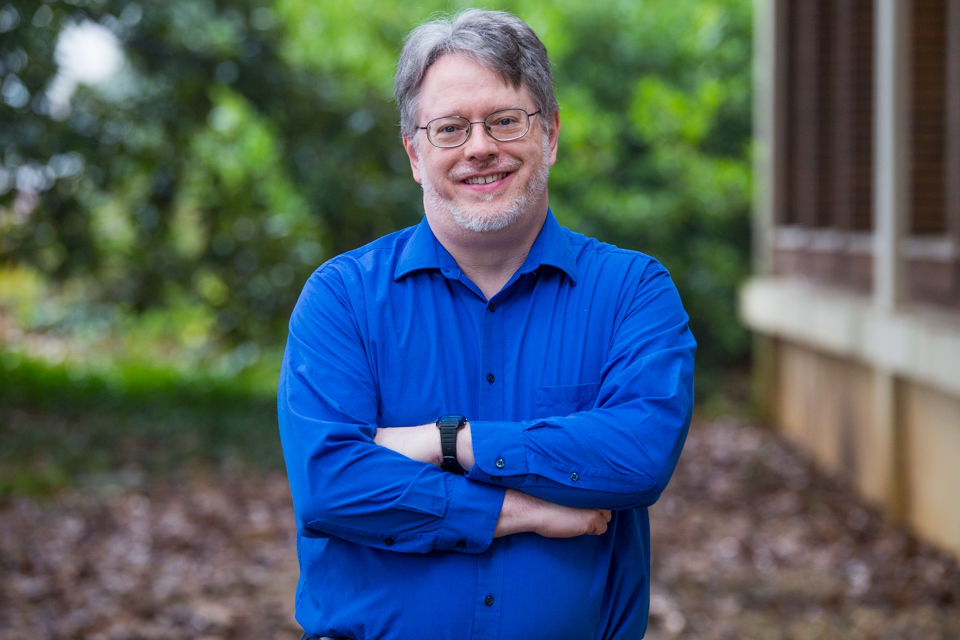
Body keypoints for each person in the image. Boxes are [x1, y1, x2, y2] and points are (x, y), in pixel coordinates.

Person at [277, 8, 696, 640]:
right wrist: (516, 509)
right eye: (450, 128)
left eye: (505, 120)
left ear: (550, 135)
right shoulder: (342, 299)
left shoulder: (631, 292)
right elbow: (329, 485)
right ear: (416, 154)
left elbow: (638, 456)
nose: (480, 147)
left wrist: (450, 442)